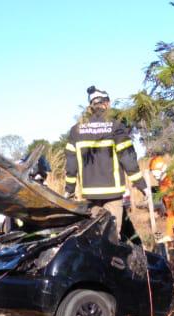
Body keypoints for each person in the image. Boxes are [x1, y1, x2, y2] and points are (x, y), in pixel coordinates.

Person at [64, 86, 150, 231]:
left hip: (90, 194)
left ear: (90, 106)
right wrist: (143, 186)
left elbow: (71, 165)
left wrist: (69, 191)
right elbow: (128, 160)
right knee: (112, 238)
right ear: (107, 104)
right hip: (113, 194)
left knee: (94, 237)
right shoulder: (116, 127)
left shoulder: (76, 130)